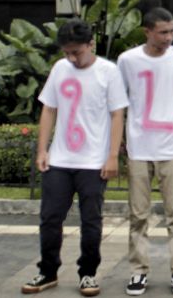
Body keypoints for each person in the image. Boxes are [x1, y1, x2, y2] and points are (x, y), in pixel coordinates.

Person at [21, 20, 127, 297]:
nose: (71, 58)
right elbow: (49, 110)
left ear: (91, 45)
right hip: (60, 159)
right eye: (67, 52)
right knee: (50, 218)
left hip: (93, 162)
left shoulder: (109, 72)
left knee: (91, 220)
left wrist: (112, 156)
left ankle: (88, 273)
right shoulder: (60, 69)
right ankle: (47, 270)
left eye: (76, 52)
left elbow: (118, 114)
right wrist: (43, 150)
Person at [117, 8, 173, 297]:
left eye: (172, 31)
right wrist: (118, 137)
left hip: (171, 146)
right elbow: (118, 100)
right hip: (139, 146)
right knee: (138, 214)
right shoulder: (127, 60)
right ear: (147, 32)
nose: (168, 37)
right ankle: (138, 272)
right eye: (163, 32)